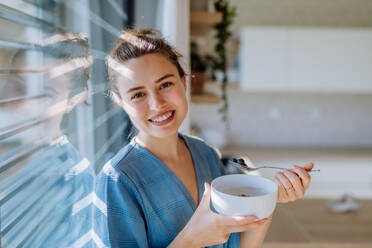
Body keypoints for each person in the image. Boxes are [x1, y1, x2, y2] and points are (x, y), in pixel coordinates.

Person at [94, 29, 314, 248]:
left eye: (165, 84)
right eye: (138, 95)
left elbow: (235, 244)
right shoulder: (117, 180)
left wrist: (269, 198)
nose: (157, 104)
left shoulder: (204, 153)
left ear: (184, 83)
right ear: (121, 103)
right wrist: (190, 240)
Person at [0, 32, 94, 247]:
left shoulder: (75, 180)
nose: (24, 103)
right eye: (18, 84)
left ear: (72, 101)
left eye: (45, 94)